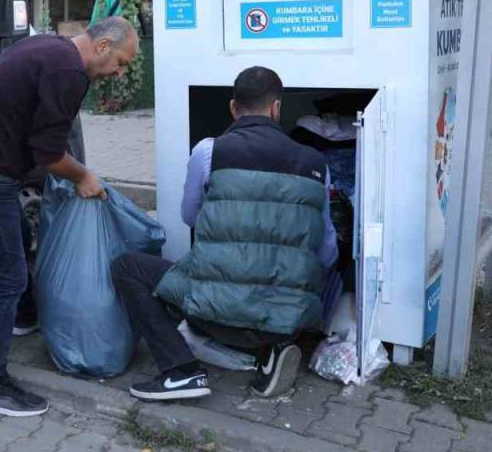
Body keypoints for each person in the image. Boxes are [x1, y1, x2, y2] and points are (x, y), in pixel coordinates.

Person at [110, 66, 341, 401]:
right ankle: (272, 351)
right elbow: (327, 251)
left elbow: (190, 217)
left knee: (127, 267)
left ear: (233, 107)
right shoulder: (316, 163)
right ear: (277, 108)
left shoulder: (209, 152)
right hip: (284, 320)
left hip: (212, 314)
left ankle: (180, 371)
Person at [0, 16, 139, 417]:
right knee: (8, 277)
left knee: (14, 247)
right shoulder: (68, 71)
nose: (117, 73)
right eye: (120, 62)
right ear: (103, 46)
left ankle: (22, 317)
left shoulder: (49, 48)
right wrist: (83, 176)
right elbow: (48, 153)